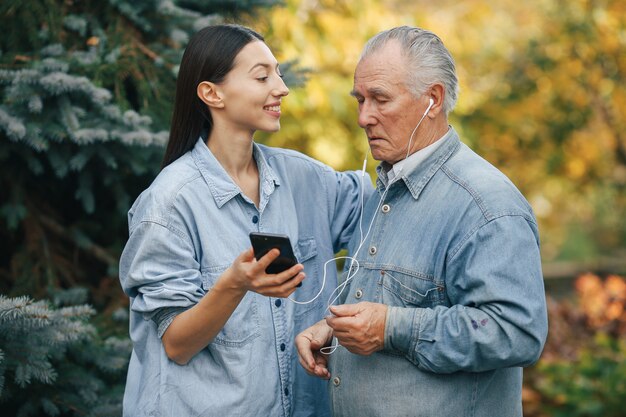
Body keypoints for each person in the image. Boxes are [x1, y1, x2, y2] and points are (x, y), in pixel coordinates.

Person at [119, 24, 372, 417]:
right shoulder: (168, 204)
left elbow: (383, 222)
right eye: (262, 76)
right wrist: (235, 284)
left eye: (279, 73)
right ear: (211, 93)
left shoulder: (308, 180)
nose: (282, 87)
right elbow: (177, 344)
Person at [296, 26, 548, 417]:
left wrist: (391, 329)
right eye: (360, 99)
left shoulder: (486, 205)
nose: (364, 117)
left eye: (380, 99)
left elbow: (516, 332)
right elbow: (383, 301)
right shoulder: (382, 190)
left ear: (433, 99)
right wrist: (334, 330)